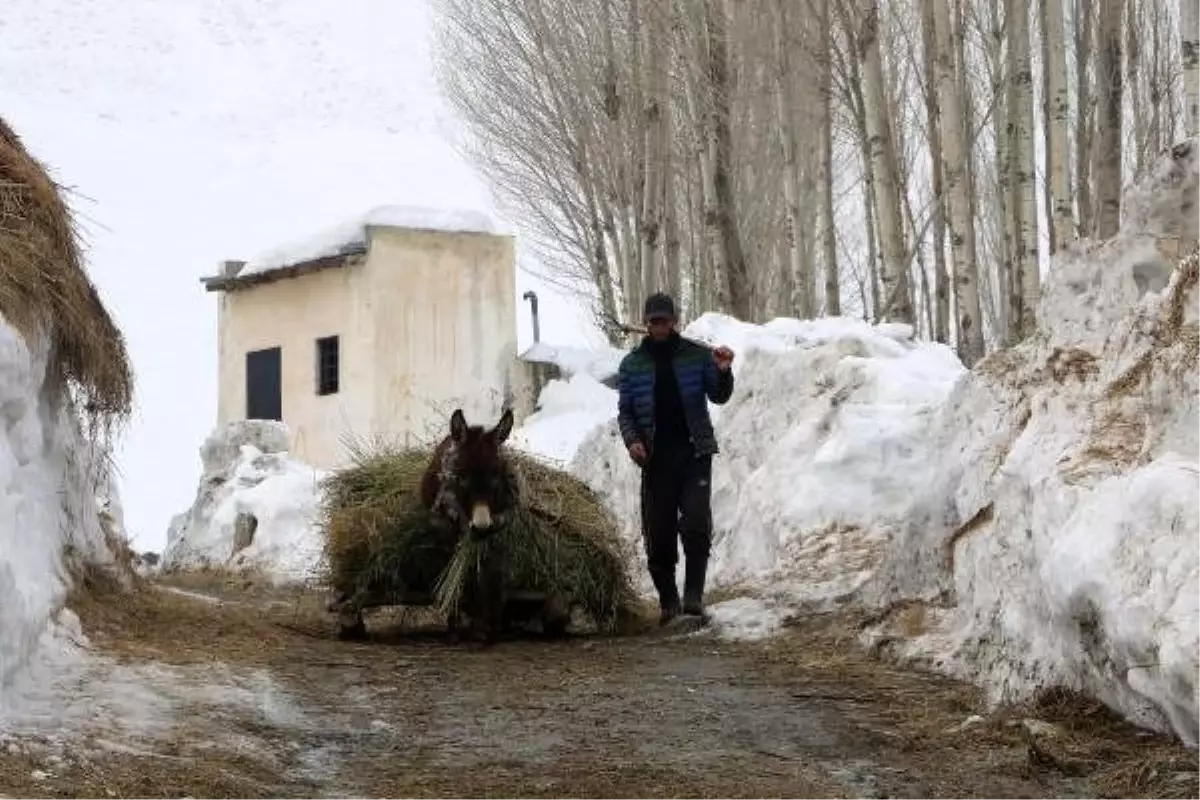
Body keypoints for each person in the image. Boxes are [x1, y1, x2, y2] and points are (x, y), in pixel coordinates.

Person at [616, 292, 735, 625]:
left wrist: (723, 371)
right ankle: (669, 601)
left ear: (674, 322)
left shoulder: (697, 357)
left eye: (664, 320)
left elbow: (719, 395)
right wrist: (633, 441)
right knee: (659, 532)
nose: (659, 326)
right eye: (653, 321)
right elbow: (625, 412)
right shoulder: (632, 365)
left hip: (694, 452)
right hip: (655, 460)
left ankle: (693, 597)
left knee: (696, 523)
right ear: (646, 323)